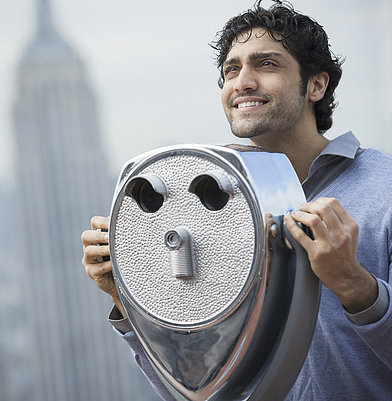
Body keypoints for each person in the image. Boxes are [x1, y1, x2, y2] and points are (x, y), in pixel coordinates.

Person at [81, 1, 392, 400]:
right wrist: (124, 295)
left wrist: (355, 286)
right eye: (231, 70)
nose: (242, 82)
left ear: (317, 85)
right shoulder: (216, 206)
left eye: (266, 64)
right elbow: (199, 386)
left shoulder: (384, 191)